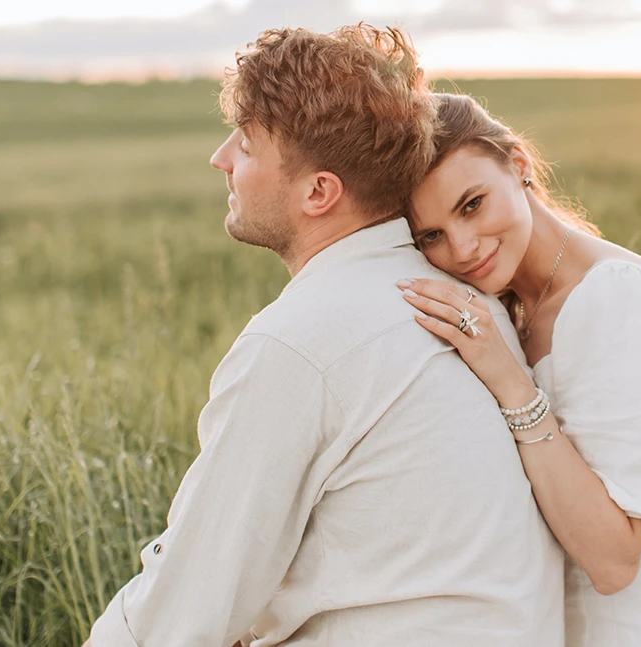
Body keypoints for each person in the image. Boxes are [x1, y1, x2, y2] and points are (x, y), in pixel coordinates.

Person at [84, 28, 564, 647]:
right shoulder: (473, 302)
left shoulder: (299, 346)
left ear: (319, 192)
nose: (222, 158)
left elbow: (185, 608)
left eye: (249, 145)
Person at [399, 92, 641, 647]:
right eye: (430, 236)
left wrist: (509, 379)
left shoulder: (613, 299)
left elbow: (615, 561)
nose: (462, 247)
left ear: (520, 166)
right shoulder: (512, 304)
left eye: (472, 204)